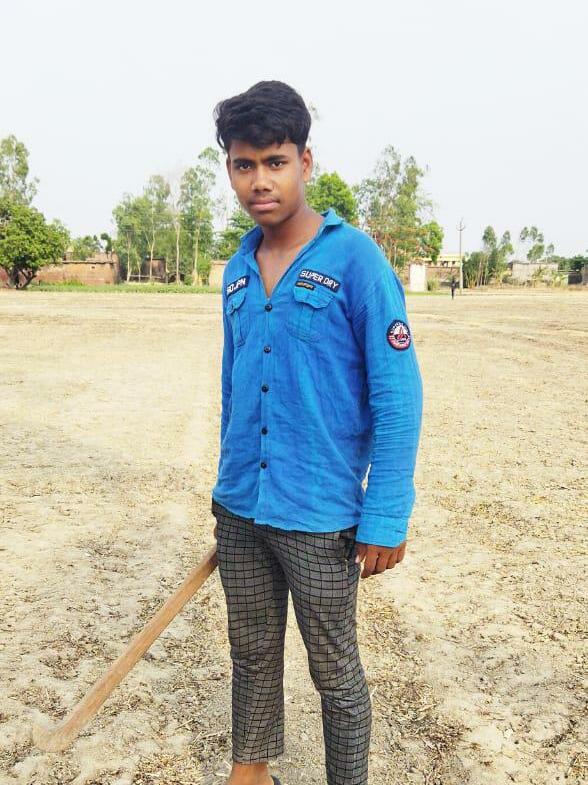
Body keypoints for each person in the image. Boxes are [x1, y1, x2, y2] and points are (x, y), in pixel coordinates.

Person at [209, 80, 423, 785]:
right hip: (242, 508)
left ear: (305, 161)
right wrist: (228, 494)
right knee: (251, 652)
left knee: (335, 670)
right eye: (243, 165)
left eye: (274, 162)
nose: (259, 181)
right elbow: (234, 388)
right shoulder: (237, 269)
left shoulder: (356, 260)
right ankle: (250, 771)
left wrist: (385, 515)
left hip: (322, 515)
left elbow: (398, 395)